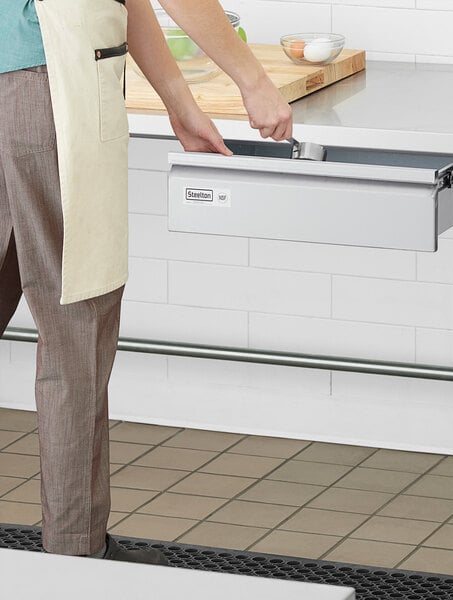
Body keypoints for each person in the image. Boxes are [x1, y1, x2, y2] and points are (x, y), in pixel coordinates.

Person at [0, 0, 292, 564]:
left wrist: (178, 101)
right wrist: (253, 80)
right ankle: (75, 558)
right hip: (50, 88)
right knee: (76, 331)